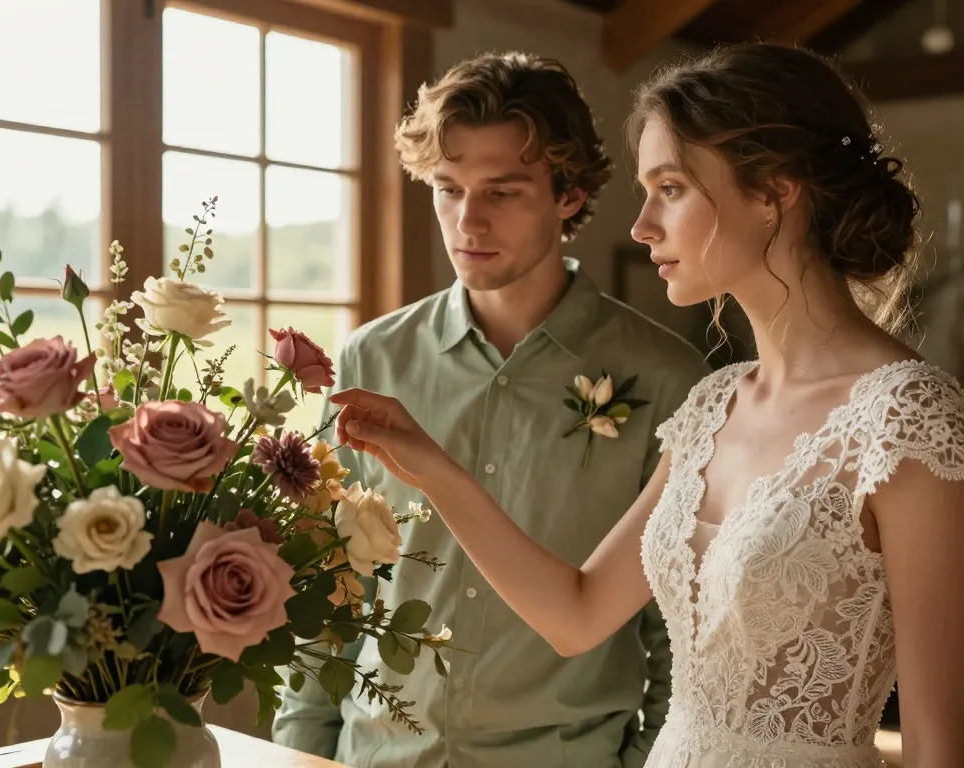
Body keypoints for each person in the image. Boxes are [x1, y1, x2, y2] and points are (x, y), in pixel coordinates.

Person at [329, 43, 964, 768]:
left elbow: (946, 757)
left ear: (774, 192)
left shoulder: (906, 419)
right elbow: (576, 615)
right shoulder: (715, 403)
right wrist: (432, 467)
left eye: (671, 188)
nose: (643, 224)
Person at [271, 51, 710, 767]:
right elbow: (329, 591)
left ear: (568, 195)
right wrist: (303, 756)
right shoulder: (370, 362)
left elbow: (678, 636)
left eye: (502, 193)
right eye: (448, 188)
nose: (467, 221)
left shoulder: (669, 380)